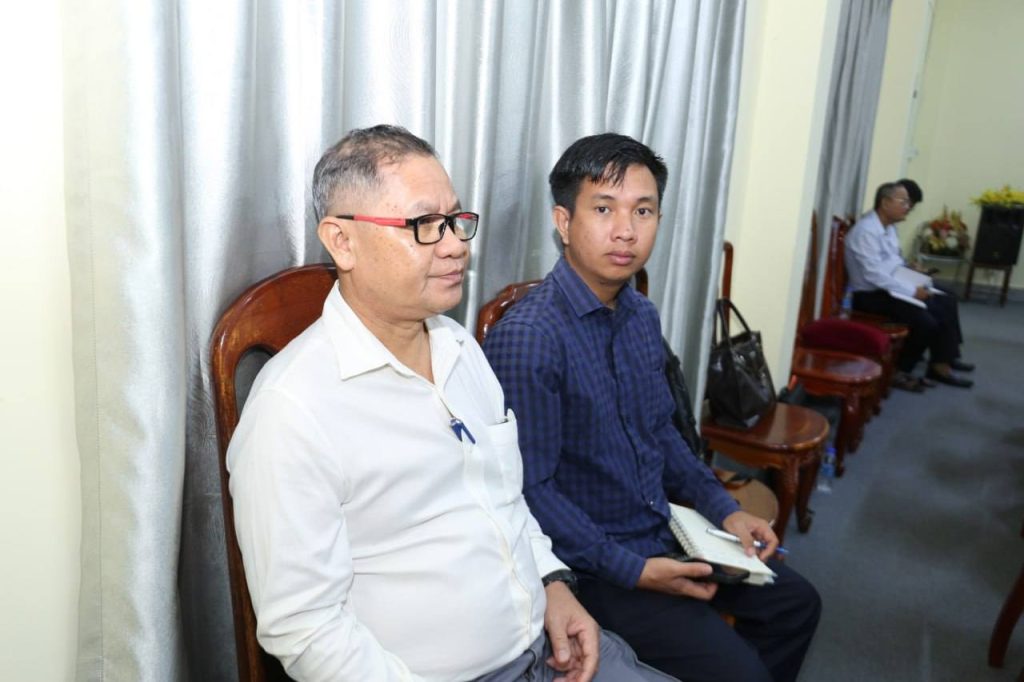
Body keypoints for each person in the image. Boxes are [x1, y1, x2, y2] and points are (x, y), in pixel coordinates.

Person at [226, 125, 675, 682]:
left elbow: (504, 500)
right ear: (342, 241)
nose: (456, 245)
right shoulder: (292, 409)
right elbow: (306, 629)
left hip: (549, 644)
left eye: (456, 220)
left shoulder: (460, 348)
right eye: (424, 225)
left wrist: (554, 585)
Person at [482, 133, 821, 682]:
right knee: (741, 672)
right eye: (603, 209)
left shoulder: (641, 315)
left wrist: (724, 510)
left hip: (666, 529)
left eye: (643, 211)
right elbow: (530, 490)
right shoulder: (529, 338)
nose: (626, 230)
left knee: (798, 606)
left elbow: (662, 433)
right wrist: (635, 569)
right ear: (564, 222)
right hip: (594, 566)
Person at [845, 181, 973, 391]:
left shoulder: (888, 227)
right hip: (871, 296)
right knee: (927, 321)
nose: (908, 207)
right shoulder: (866, 231)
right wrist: (913, 291)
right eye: (904, 202)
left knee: (945, 299)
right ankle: (898, 371)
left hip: (891, 287)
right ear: (885, 203)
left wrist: (911, 270)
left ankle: (943, 360)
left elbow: (891, 261)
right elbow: (874, 274)